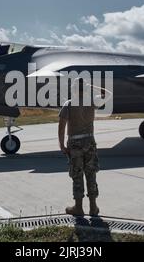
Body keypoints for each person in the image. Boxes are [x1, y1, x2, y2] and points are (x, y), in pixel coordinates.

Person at [58, 78, 111, 216]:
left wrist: (62, 145)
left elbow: (62, 126)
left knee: (77, 175)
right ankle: (93, 207)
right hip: (89, 141)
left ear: (74, 89)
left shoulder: (68, 104)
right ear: (86, 89)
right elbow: (108, 94)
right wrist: (91, 86)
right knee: (91, 174)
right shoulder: (92, 102)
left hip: (75, 144)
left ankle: (78, 207)